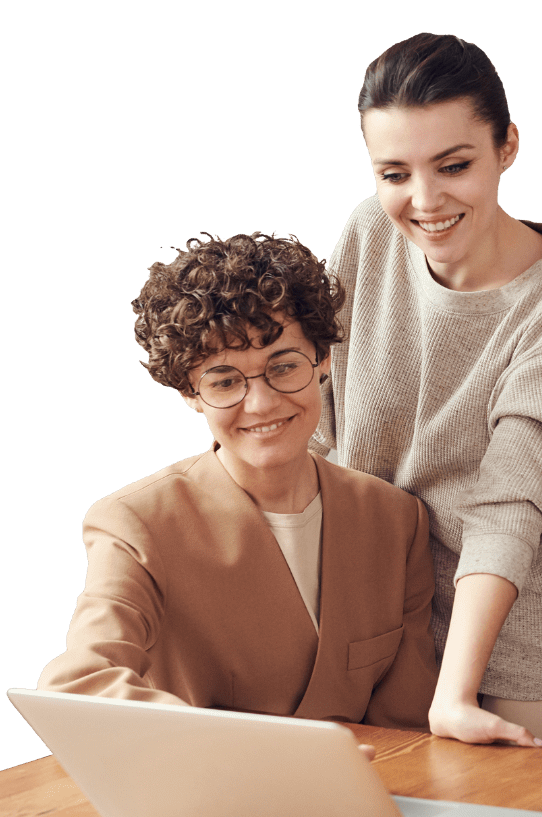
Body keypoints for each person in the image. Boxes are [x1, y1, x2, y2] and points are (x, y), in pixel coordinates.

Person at [312, 32, 542, 756]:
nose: (425, 201)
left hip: (537, 641)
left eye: (454, 165)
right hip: (391, 626)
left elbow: (514, 497)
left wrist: (454, 691)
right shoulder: (368, 235)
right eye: (395, 173)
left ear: (507, 146)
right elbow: (321, 423)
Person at [40, 233, 439, 731]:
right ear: (190, 392)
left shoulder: (397, 520)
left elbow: (406, 722)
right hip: (206, 779)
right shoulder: (136, 523)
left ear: (323, 359)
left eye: (283, 367)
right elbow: (81, 685)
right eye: (226, 381)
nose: (262, 404)